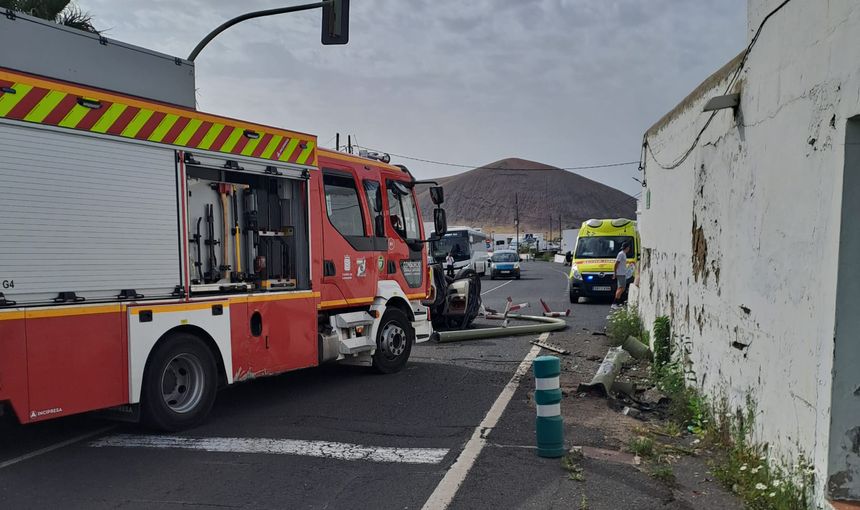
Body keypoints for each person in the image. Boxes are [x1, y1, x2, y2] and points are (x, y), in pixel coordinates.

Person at [611, 241, 632, 309]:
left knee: (621, 288)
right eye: (628, 247)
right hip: (620, 273)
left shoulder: (623, 254)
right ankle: (615, 303)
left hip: (622, 273)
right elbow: (616, 263)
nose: (629, 249)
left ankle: (617, 302)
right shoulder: (621, 254)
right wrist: (615, 273)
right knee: (621, 288)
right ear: (627, 247)